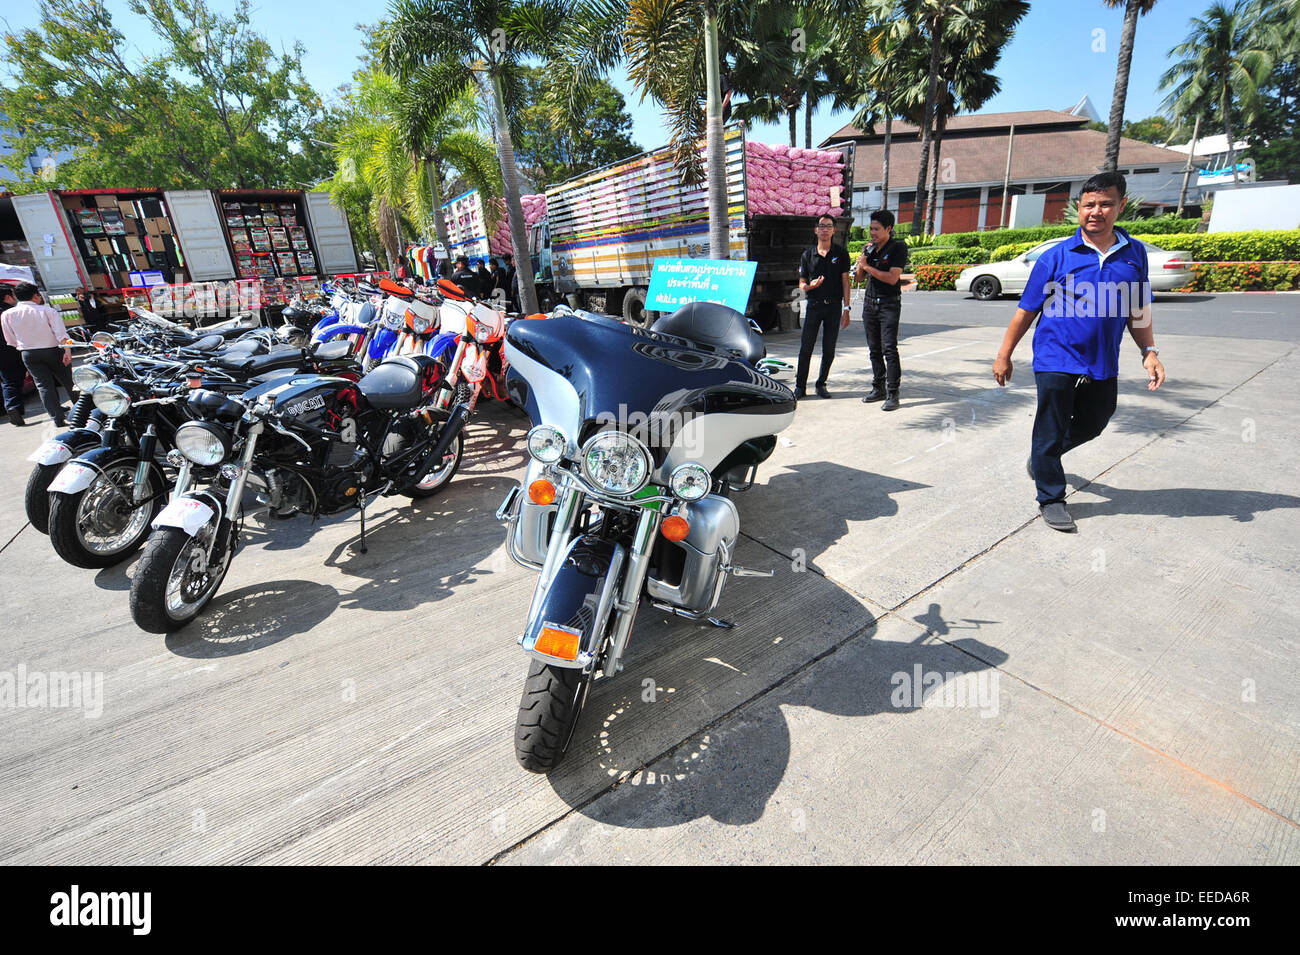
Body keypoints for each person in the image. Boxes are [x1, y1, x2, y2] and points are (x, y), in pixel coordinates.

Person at [992, 171, 1166, 533]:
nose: (1096, 212)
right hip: (1055, 355)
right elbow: (1026, 310)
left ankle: (1043, 458)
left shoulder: (1133, 255)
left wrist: (1148, 350)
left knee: (1095, 421)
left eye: (1105, 204)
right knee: (1050, 427)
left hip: (1103, 359)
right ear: (1078, 208)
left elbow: (1138, 308)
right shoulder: (1056, 257)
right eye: (1089, 205)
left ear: (1121, 205)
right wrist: (1004, 355)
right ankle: (1051, 497)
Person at [854, 209, 908, 411]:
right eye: (871, 228)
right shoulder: (870, 249)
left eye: (876, 229)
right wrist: (862, 261)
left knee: (889, 349)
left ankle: (893, 393)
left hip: (888, 304)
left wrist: (868, 268)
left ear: (888, 229)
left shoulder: (898, 248)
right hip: (870, 303)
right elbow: (859, 279)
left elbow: (893, 278)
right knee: (873, 348)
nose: (872, 233)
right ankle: (878, 388)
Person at [1, 282, 77, 427]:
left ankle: (57, 418)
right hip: (54, 350)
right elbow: (61, 334)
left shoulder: (7, 315)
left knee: (43, 386)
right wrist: (67, 351)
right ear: (36, 295)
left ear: (17, 296)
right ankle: (83, 411)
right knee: (69, 382)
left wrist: (24, 346)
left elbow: (10, 339)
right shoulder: (47, 311)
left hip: (28, 353)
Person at [795, 214, 851, 399]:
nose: (825, 229)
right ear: (816, 230)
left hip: (834, 307)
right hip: (814, 306)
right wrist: (811, 286)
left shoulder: (841, 254)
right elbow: (801, 284)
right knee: (806, 348)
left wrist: (847, 308)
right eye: (821, 226)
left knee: (829, 349)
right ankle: (800, 386)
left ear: (834, 230)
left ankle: (821, 384)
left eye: (828, 226)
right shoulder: (807, 255)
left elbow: (845, 283)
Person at [0, 285, 28, 426]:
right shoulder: (11, 313)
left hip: (2, 355)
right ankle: (55, 408)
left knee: (9, 382)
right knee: (42, 378)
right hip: (15, 349)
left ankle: (12, 407)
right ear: (7, 297)